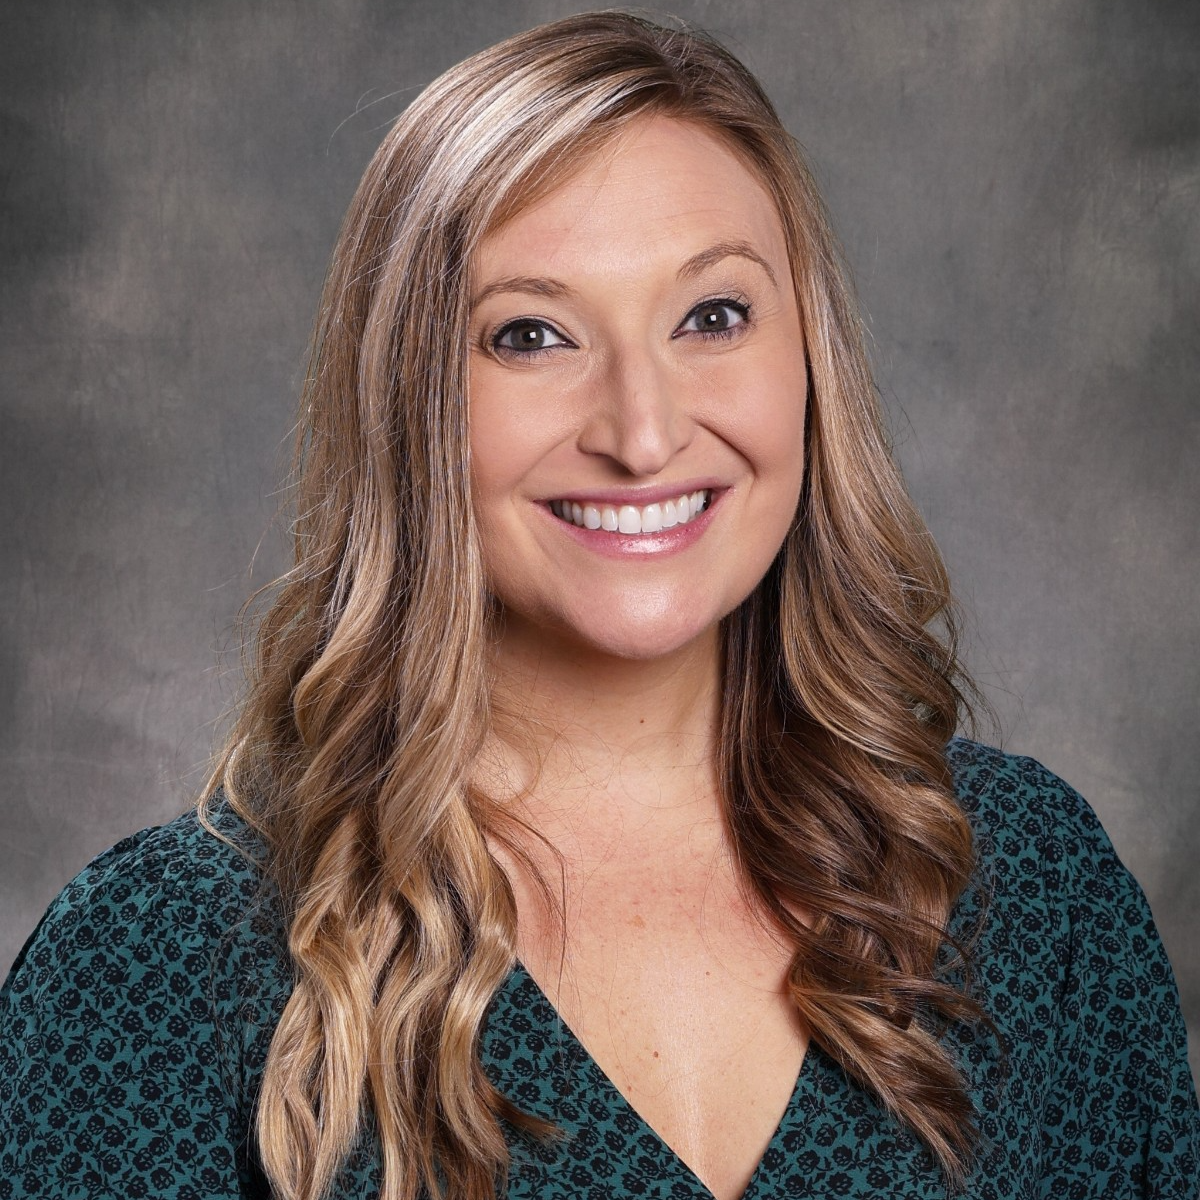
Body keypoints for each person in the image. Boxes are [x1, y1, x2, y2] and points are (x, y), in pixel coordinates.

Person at [1, 11, 1196, 1200]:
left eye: (713, 316)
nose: (642, 431)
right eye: (530, 335)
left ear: (810, 361)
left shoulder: (1027, 883)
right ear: (412, 404)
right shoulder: (155, 962)